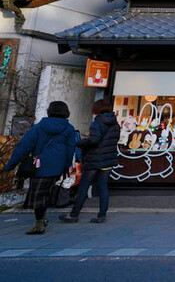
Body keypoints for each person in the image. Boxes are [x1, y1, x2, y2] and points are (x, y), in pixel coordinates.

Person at [3, 101, 76, 234]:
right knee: (44, 192)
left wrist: (10, 165)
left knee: (38, 194)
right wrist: (67, 166)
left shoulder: (39, 127)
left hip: (39, 165)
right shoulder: (69, 129)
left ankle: (40, 223)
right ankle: (41, 219)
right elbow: (71, 149)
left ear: (49, 111)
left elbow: (23, 146)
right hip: (57, 166)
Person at [60, 99, 120, 224]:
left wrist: (80, 142)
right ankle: (101, 214)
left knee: (83, 187)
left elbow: (94, 140)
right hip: (108, 160)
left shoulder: (97, 123)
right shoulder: (115, 124)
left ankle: (74, 214)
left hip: (94, 159)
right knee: (103, 187)